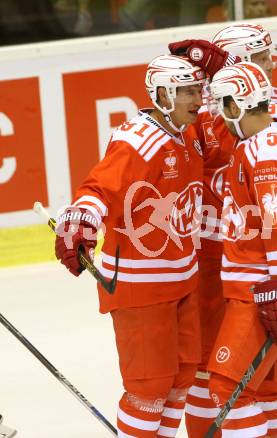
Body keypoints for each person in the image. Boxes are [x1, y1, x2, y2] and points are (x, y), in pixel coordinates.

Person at [168, 23, 277, 437]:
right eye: (259, 58)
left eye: (267, 57)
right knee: (221, 374)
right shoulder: (210, 109)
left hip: (254, 264)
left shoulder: (265, 107)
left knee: (242, 380)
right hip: (215, 260)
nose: (270, 66)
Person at [54, 54, 206, 437]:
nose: (197, 99)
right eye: (187, 91)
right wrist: (80, 223)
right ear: (162, 94)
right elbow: (99, 188)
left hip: (182, 277)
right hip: (141, 284)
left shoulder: (186, 132)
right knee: (148, 389)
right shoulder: (138, 140)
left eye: (197, 89)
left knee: (182, 377)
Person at [206, 61, 277, 436]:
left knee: (229, 389)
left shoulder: (266, 153)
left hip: (264, 291)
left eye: (222, 105)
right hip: (270, 288)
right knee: (267, 391)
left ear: (237, 104)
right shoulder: (265, 142)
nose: (219, 116)